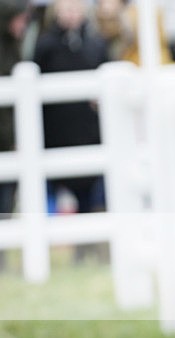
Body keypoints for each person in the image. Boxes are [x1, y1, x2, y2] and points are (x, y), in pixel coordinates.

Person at [34, 0, 108, 260]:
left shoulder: (95, 42)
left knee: (90, 191)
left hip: (87, 129)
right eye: (67, 9)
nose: (72, 14)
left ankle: (88, 248)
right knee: (58, 189)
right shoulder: (46, 45)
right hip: (58, 129)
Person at [0, 0, 28, 271]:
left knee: (7, 201)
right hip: (4, 136)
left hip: (8, 139)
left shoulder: (14, 47)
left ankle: (3, 257)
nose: (24, 25)